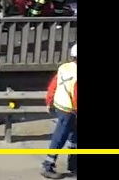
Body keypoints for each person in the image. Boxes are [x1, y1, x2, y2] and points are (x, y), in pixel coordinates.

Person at [41, 43, 77, 179]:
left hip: (60, 105)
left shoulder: (64, 67)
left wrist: (49, 101)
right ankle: (48, 165)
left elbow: (54, 84)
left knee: (73, 135)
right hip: (70, 109)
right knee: (61, 136)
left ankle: (73, 163)